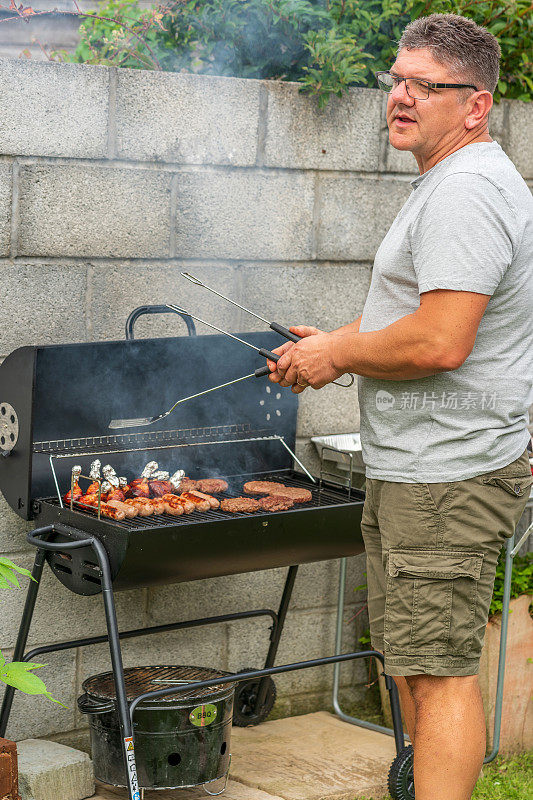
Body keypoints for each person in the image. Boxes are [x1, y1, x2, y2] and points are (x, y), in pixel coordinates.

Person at [266, 13, 533, 800]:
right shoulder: (452, 184)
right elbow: (418, 322)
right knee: (414, 666)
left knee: (440, 674)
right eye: (396, 80)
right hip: (417, 469)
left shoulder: (464, 193)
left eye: (426, 84)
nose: (401, 97)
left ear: (475, 105)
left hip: (445, 478)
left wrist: (339, 353)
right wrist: (340, 342)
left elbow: (442, 341)